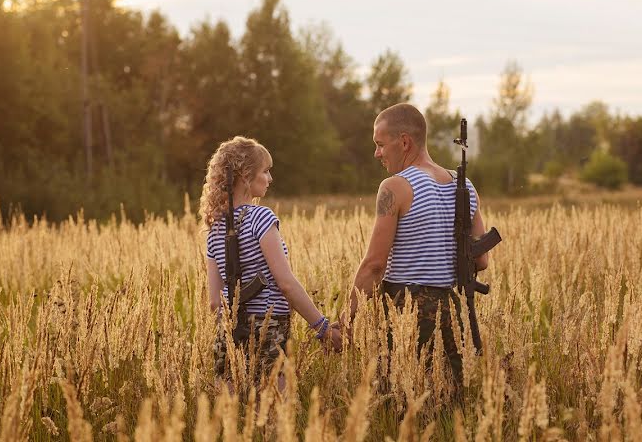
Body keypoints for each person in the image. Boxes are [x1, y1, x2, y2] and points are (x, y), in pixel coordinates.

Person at [345, 103, 490, 386]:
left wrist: (345, 321)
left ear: (404, 142)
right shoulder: (464, 186)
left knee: (404, 404)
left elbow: (375, 266)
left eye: (380, 144)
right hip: (453, 310)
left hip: (406, 312)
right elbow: (481, 260)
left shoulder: (395, 186)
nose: (377, 153)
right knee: (450, 407)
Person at [201, 136, 341, 382]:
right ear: (245, 175)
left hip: (228, 333)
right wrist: (322, 328)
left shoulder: (214, 229)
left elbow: (214, 302)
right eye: (265, 171)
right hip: (268, 329)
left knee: (232, 417)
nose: (270, 178)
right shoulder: (261, 218)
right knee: (275, 415)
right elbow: (286, 283)